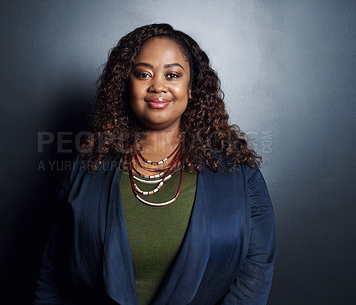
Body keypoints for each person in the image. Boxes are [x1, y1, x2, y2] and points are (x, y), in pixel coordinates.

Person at [34, 23, 276, 305]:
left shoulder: (239, 171)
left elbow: (256, 269)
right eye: (143, 74)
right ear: (127, 85)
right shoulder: (89, 167)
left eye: (172, 74)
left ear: (192, 88)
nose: (158, 85)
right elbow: (53, 274)